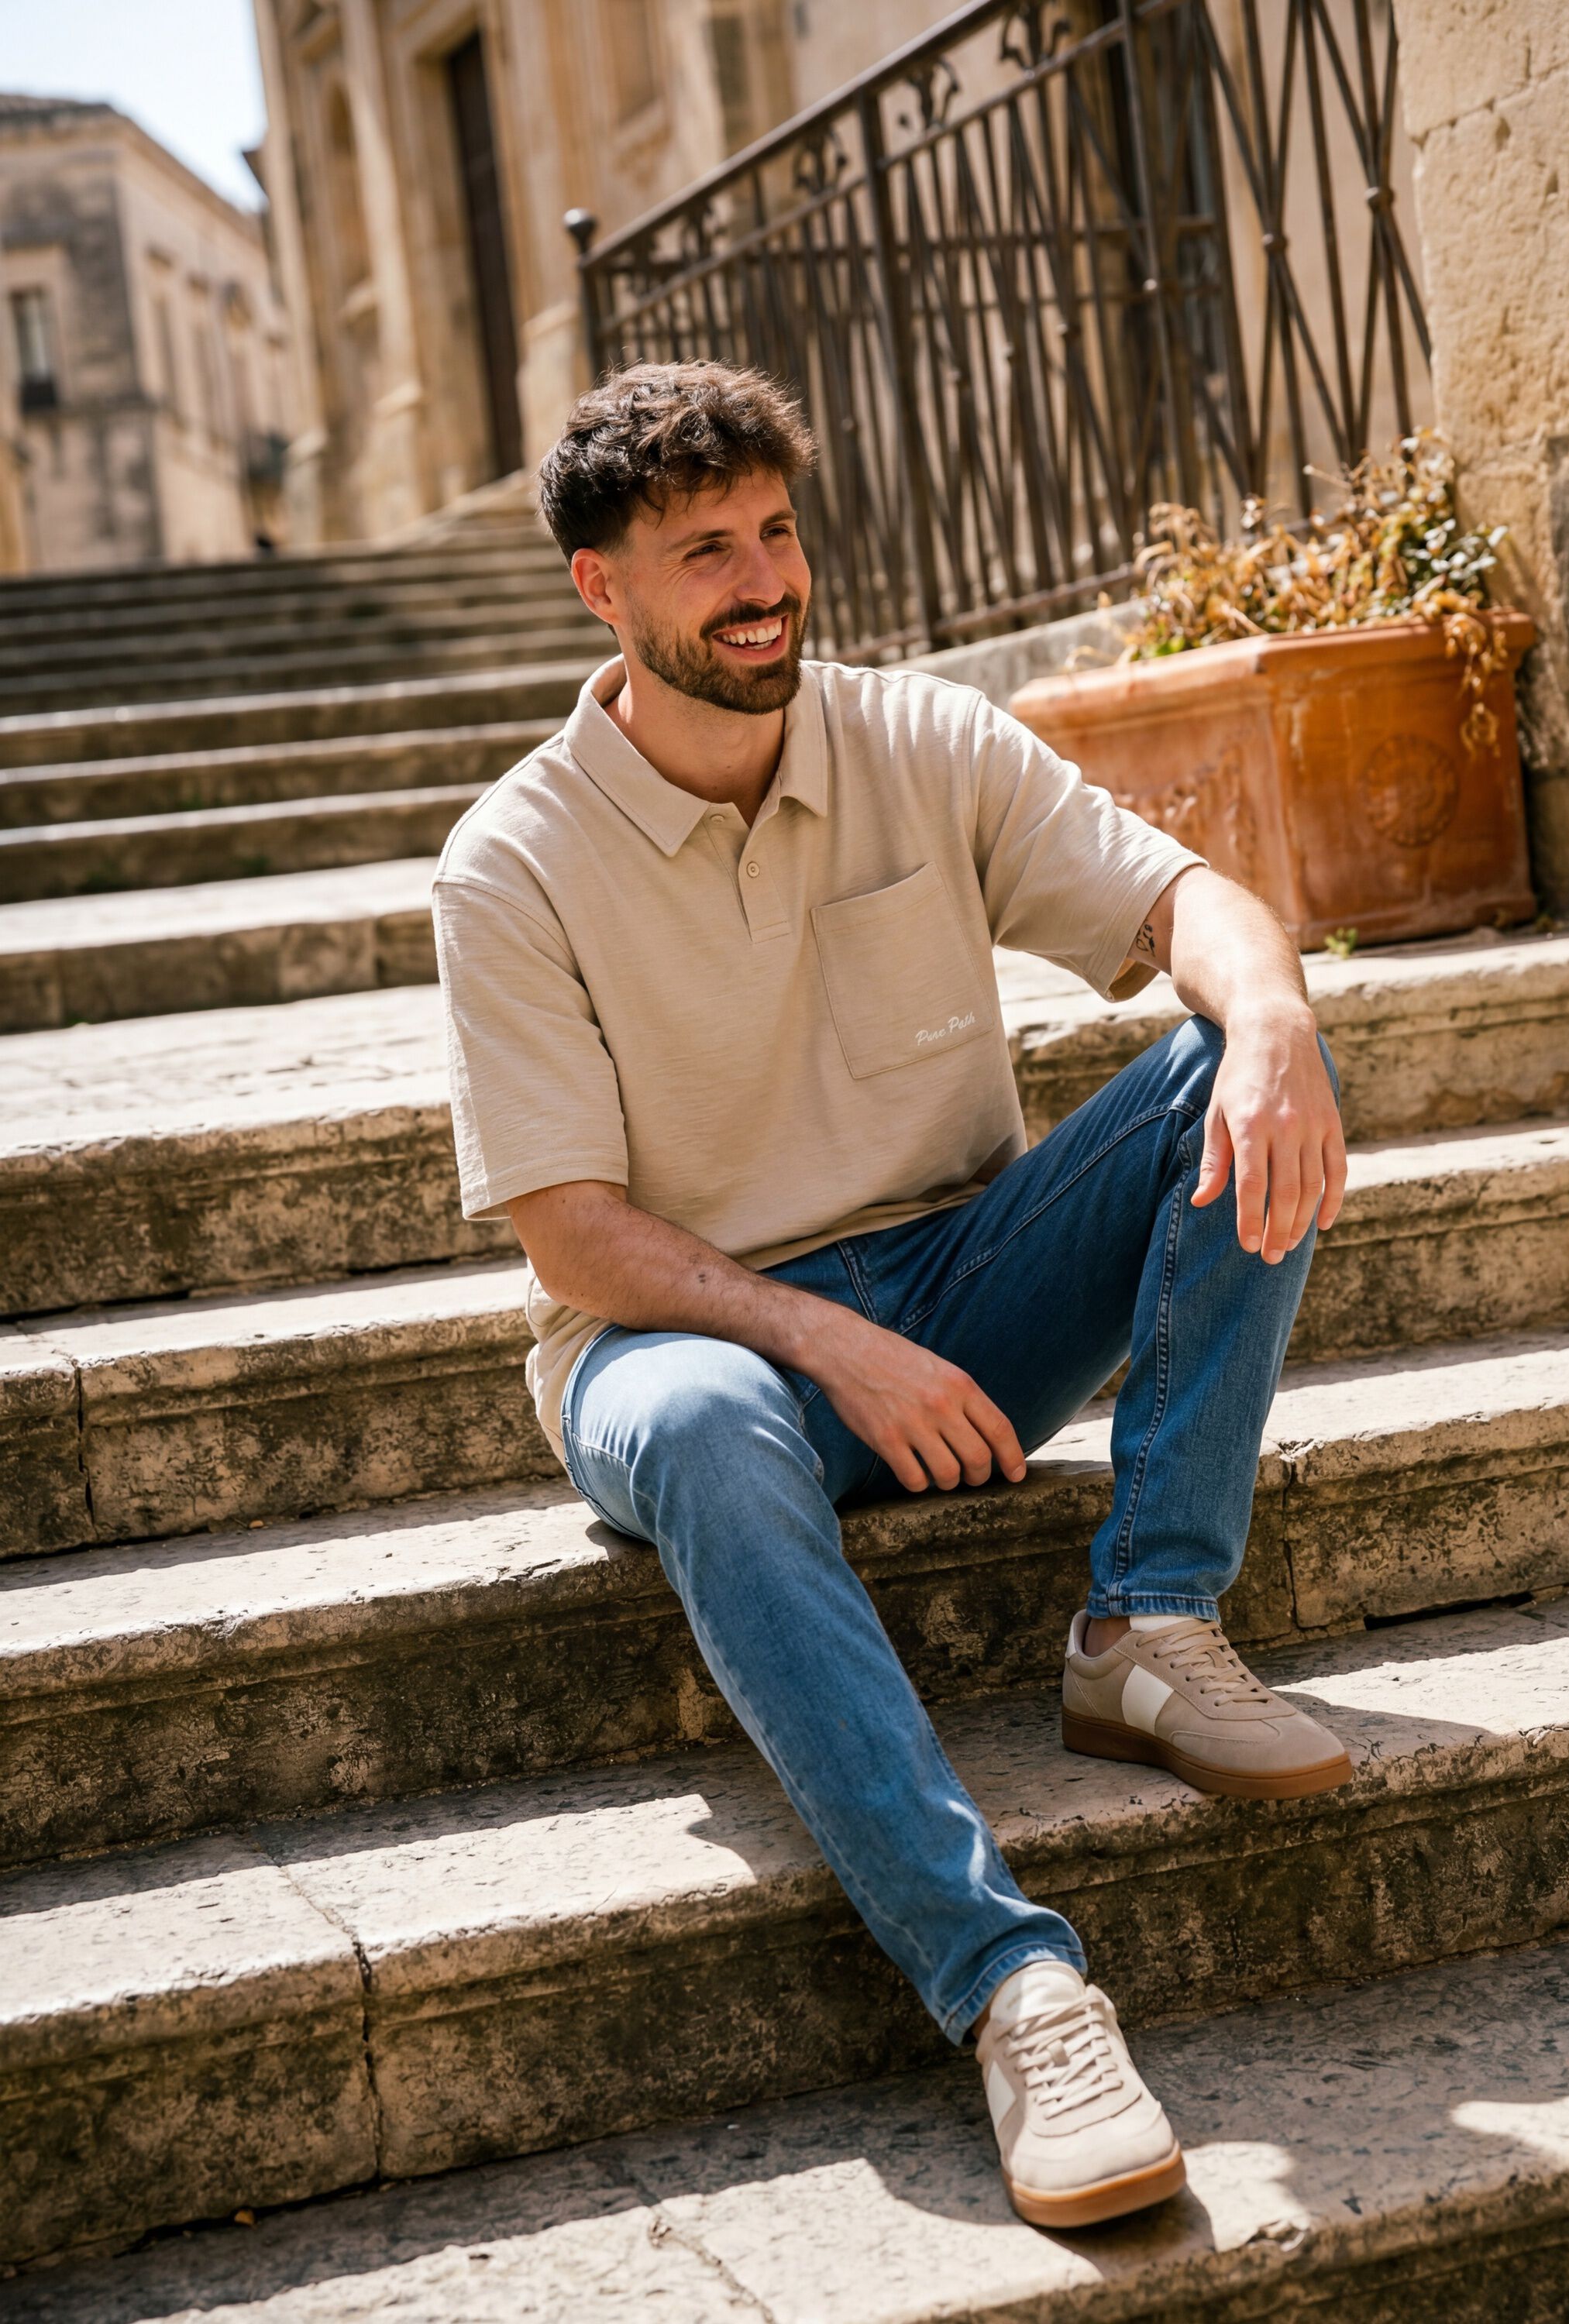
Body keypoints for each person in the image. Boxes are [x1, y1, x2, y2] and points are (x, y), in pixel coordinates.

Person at [432, 362, 1348, 2231]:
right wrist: (823, 1340)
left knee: (1235, 1066)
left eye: (776, 531)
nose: (763, 580)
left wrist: (1270, 1019)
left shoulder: (918, 736)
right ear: (602, 588)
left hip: (959, 1282)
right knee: (703, 1419)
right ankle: (1016, 1988)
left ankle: (1151, 1620)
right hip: (683, 1343)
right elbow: (573, 1235)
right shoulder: (512, 863)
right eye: (706, 550)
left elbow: (1184, 901)